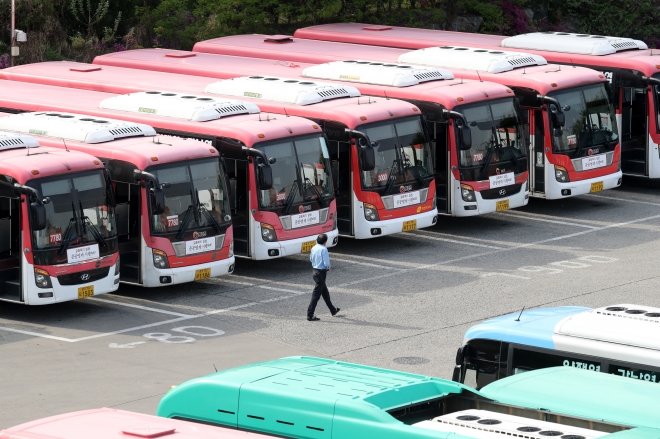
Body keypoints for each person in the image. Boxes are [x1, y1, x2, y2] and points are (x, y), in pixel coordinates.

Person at [307, 233, 340, 321]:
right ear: (325, 242)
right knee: (316, 296)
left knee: (325, 293)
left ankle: (333, 310)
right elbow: (326, 262)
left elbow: (311, 259)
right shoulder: (324, 249)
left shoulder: (314, 248)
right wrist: (328, 268)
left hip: (315, 271)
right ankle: (310, 315)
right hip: (321, 273)